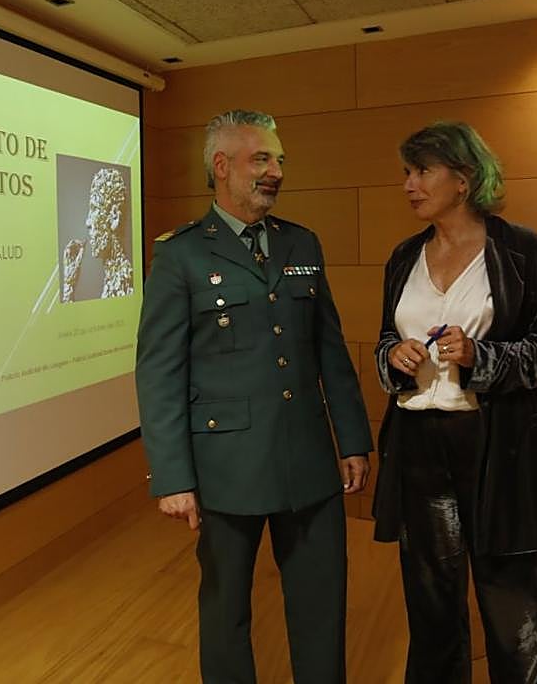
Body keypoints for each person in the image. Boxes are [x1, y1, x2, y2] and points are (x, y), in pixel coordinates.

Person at [136, 109, 373, 683]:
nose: (276, 172)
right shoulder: (182, 254)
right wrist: (173, 478)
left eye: (279, 160)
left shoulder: (301, 242)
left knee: (321, 605)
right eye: (261, 159)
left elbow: (330, 351)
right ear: (221, 166)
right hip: (226, 468)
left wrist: (352, 440)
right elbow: (159, 371)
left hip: (308, 459)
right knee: (225, 612)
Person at [371, 121, 537, 683]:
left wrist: (480, 357)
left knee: (517, 613)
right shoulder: (404, 257)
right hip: (417, 448)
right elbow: (385, 339)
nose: (409, 185)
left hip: (500, 449)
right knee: (431, 609)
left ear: (463, 179)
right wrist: (393, 356)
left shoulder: (525, 252)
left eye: (422, 171)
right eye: (406, 172)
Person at [62, 166, 132, 301]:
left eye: (94, 209)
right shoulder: (113, 280)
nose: (87, 222)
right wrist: (69, 285)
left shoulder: (124, 286)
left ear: (114, 217)